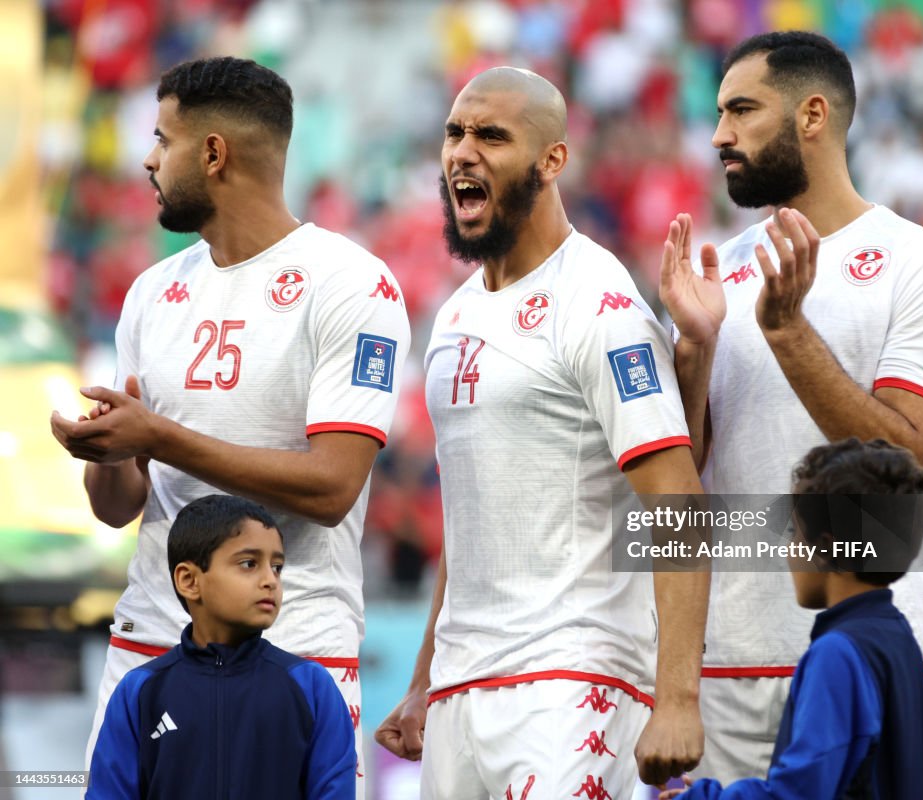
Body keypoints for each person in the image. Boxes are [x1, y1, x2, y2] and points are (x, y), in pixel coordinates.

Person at [50, 57, 410, 793]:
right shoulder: (154, 293)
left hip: (297, 652)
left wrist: (157, 436)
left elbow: (334, 486)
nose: (148, 159)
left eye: (163, 139)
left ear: (213, 154)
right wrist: (110, 451)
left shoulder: (351, 284)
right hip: (149, 648)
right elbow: (118, 507)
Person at [374, 67, 709, 798]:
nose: (463, 151)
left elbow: (677, 502)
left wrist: (677, 696)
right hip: (462, 690)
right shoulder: (456, 315)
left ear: (552, 160)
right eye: (455, 133)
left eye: (491, 135)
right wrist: (426, 676)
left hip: (572, 680)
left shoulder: (600, 304)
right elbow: (471, 522)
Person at [659, 31, 923, 797]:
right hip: (731, 665)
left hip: (877, 651)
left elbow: (898, 458)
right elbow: (675, 484)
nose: (719, 134)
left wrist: (789, 332)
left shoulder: (921, 266)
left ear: (813, 115)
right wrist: (693, 357)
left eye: (742, 110)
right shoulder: (717, 271)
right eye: (719, 112)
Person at [661, 438, 923, 799]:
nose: (787, 551)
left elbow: (798, 794)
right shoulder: (899, 638)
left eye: (793, 533)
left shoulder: (837, 654)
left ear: (826, 547)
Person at [87, 494, 357, 800]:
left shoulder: (311, 687)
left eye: (277, 567)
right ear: (189, 580)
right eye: (248, 563)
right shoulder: (141, 691)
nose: (270, 580)